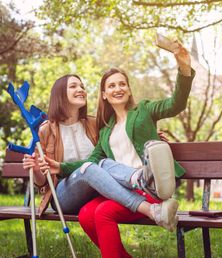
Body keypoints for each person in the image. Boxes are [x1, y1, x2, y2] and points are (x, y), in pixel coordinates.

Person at [43, 39, 195, 258]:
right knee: (88, 213)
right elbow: (89, 164)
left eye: (121, 83)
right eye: (111, 85)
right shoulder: (105, 132)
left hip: (152, 188)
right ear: (103, 94)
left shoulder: (145, 111)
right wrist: (61, 166)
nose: (117, 88)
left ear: (128, 88)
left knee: (101, 212)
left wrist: (183, 66)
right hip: (122, 189)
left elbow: (176, 103)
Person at [23, 74, 172, 226]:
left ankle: (143, 183)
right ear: (60, 93)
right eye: (73, 86)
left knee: (102, 163)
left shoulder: (95, 123)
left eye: (82, 86)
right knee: (90, 168)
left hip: (100, 191)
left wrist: (149, 135)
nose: (80, 90)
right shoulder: (46, 130)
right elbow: (42, 183)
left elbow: (116, 138)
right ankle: (148, 206)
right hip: (63, 196)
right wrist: (35, 169)